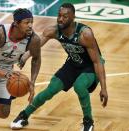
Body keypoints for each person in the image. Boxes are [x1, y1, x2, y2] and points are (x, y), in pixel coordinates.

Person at [10, 3, 108, 131]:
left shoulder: (85, 34)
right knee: (52, 88)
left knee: (80, 86)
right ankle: (24, 115)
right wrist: (26, 56)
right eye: (59, 15)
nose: (61, 19)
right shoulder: (54, 30)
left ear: (73, 17)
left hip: (90, 66)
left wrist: (104, 88)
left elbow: (97, 62)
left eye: (65, 16)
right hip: (73, 63)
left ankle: (88, 122)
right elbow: (38, 43)